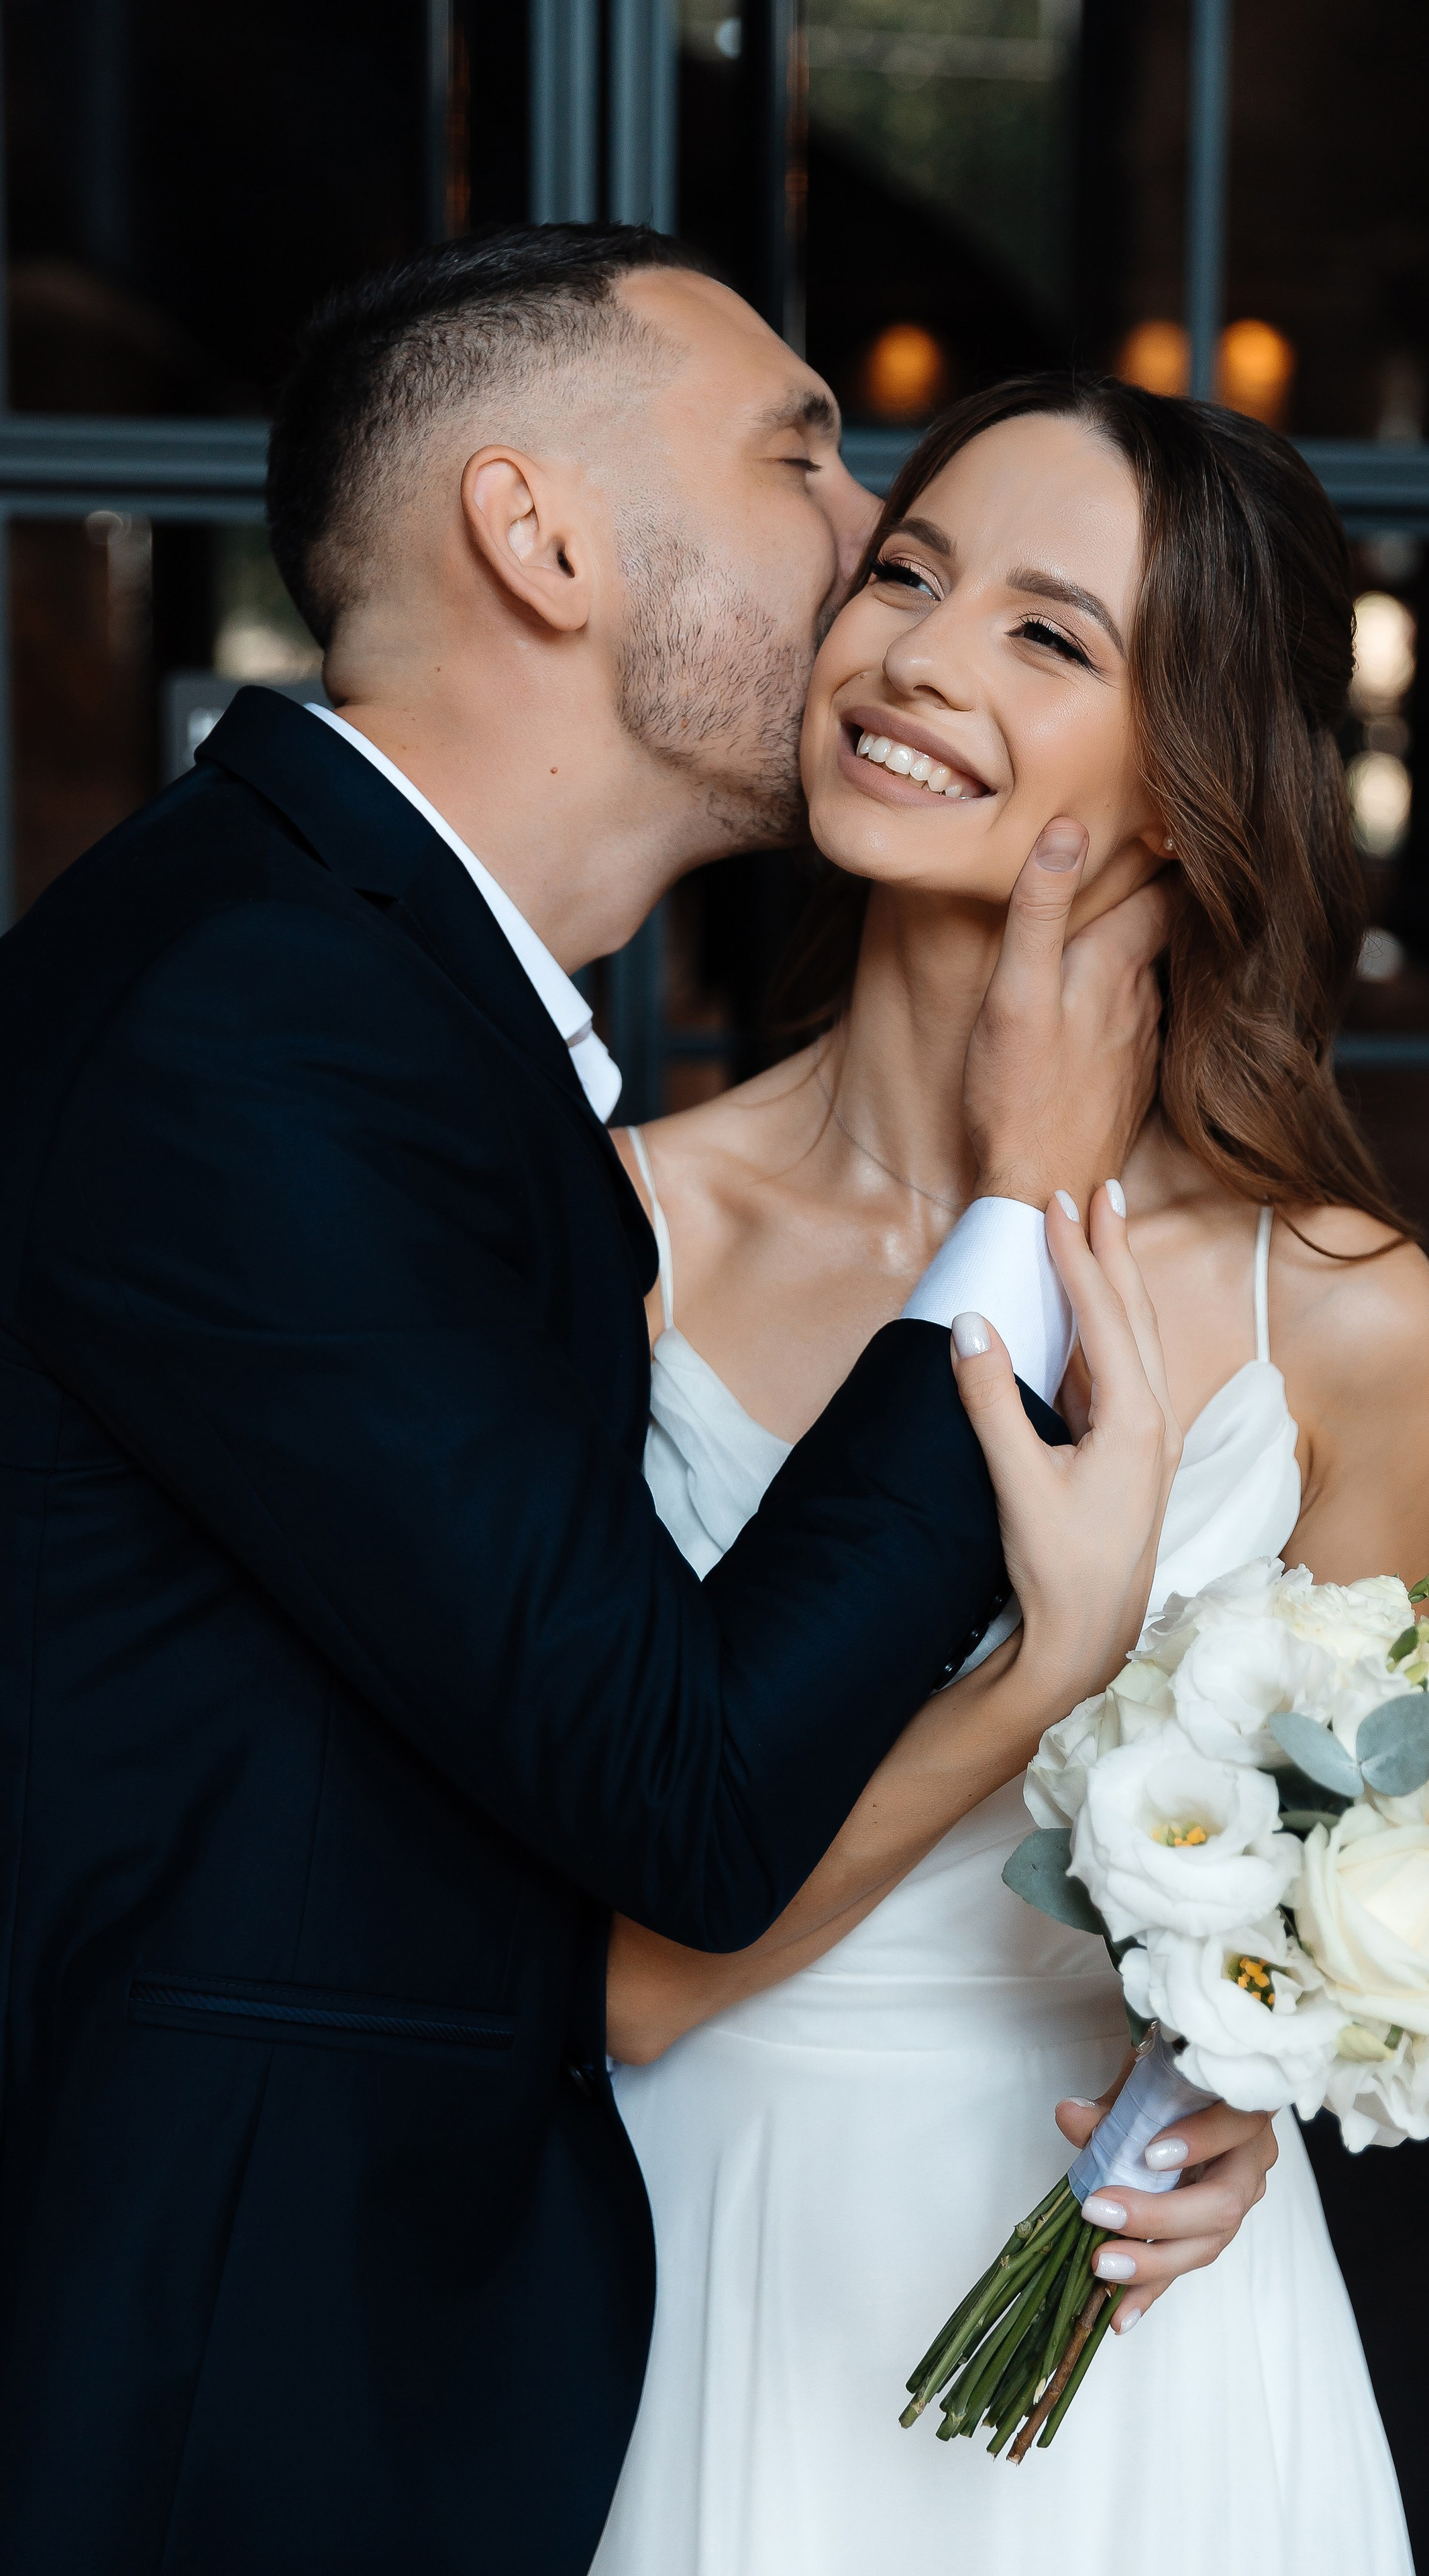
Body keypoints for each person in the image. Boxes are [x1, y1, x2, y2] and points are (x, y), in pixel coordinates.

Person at [0, 230, 1259, 2576]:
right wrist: (1035, 1207)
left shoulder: (374, 1002)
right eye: (809, 464)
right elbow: (675, 1790)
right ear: (542, 538)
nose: (868, 572)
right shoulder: (262, 1024)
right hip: (223, 2388)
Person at [598, 376, 1429, 2575]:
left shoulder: (1337, 1314)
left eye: (1046, 637)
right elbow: (605, 1968)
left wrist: (1247, 2110)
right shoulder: (613, 1235)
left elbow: (1327, 1919)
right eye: (906, 572)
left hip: (1134, 2354)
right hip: (704, 2254)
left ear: (1191, 788)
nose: (912, 655)